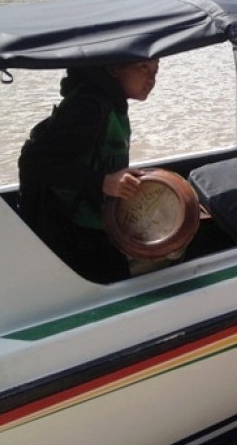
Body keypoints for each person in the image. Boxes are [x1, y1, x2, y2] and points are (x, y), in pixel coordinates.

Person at [18, 59, 159, 284]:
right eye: (143, 67)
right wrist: (103, 182)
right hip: (71, 234)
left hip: (96, 226)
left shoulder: (112, 104)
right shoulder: (88, 108)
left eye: (155, 70)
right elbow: (33, 163)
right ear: (114, 68)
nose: (152, 79)